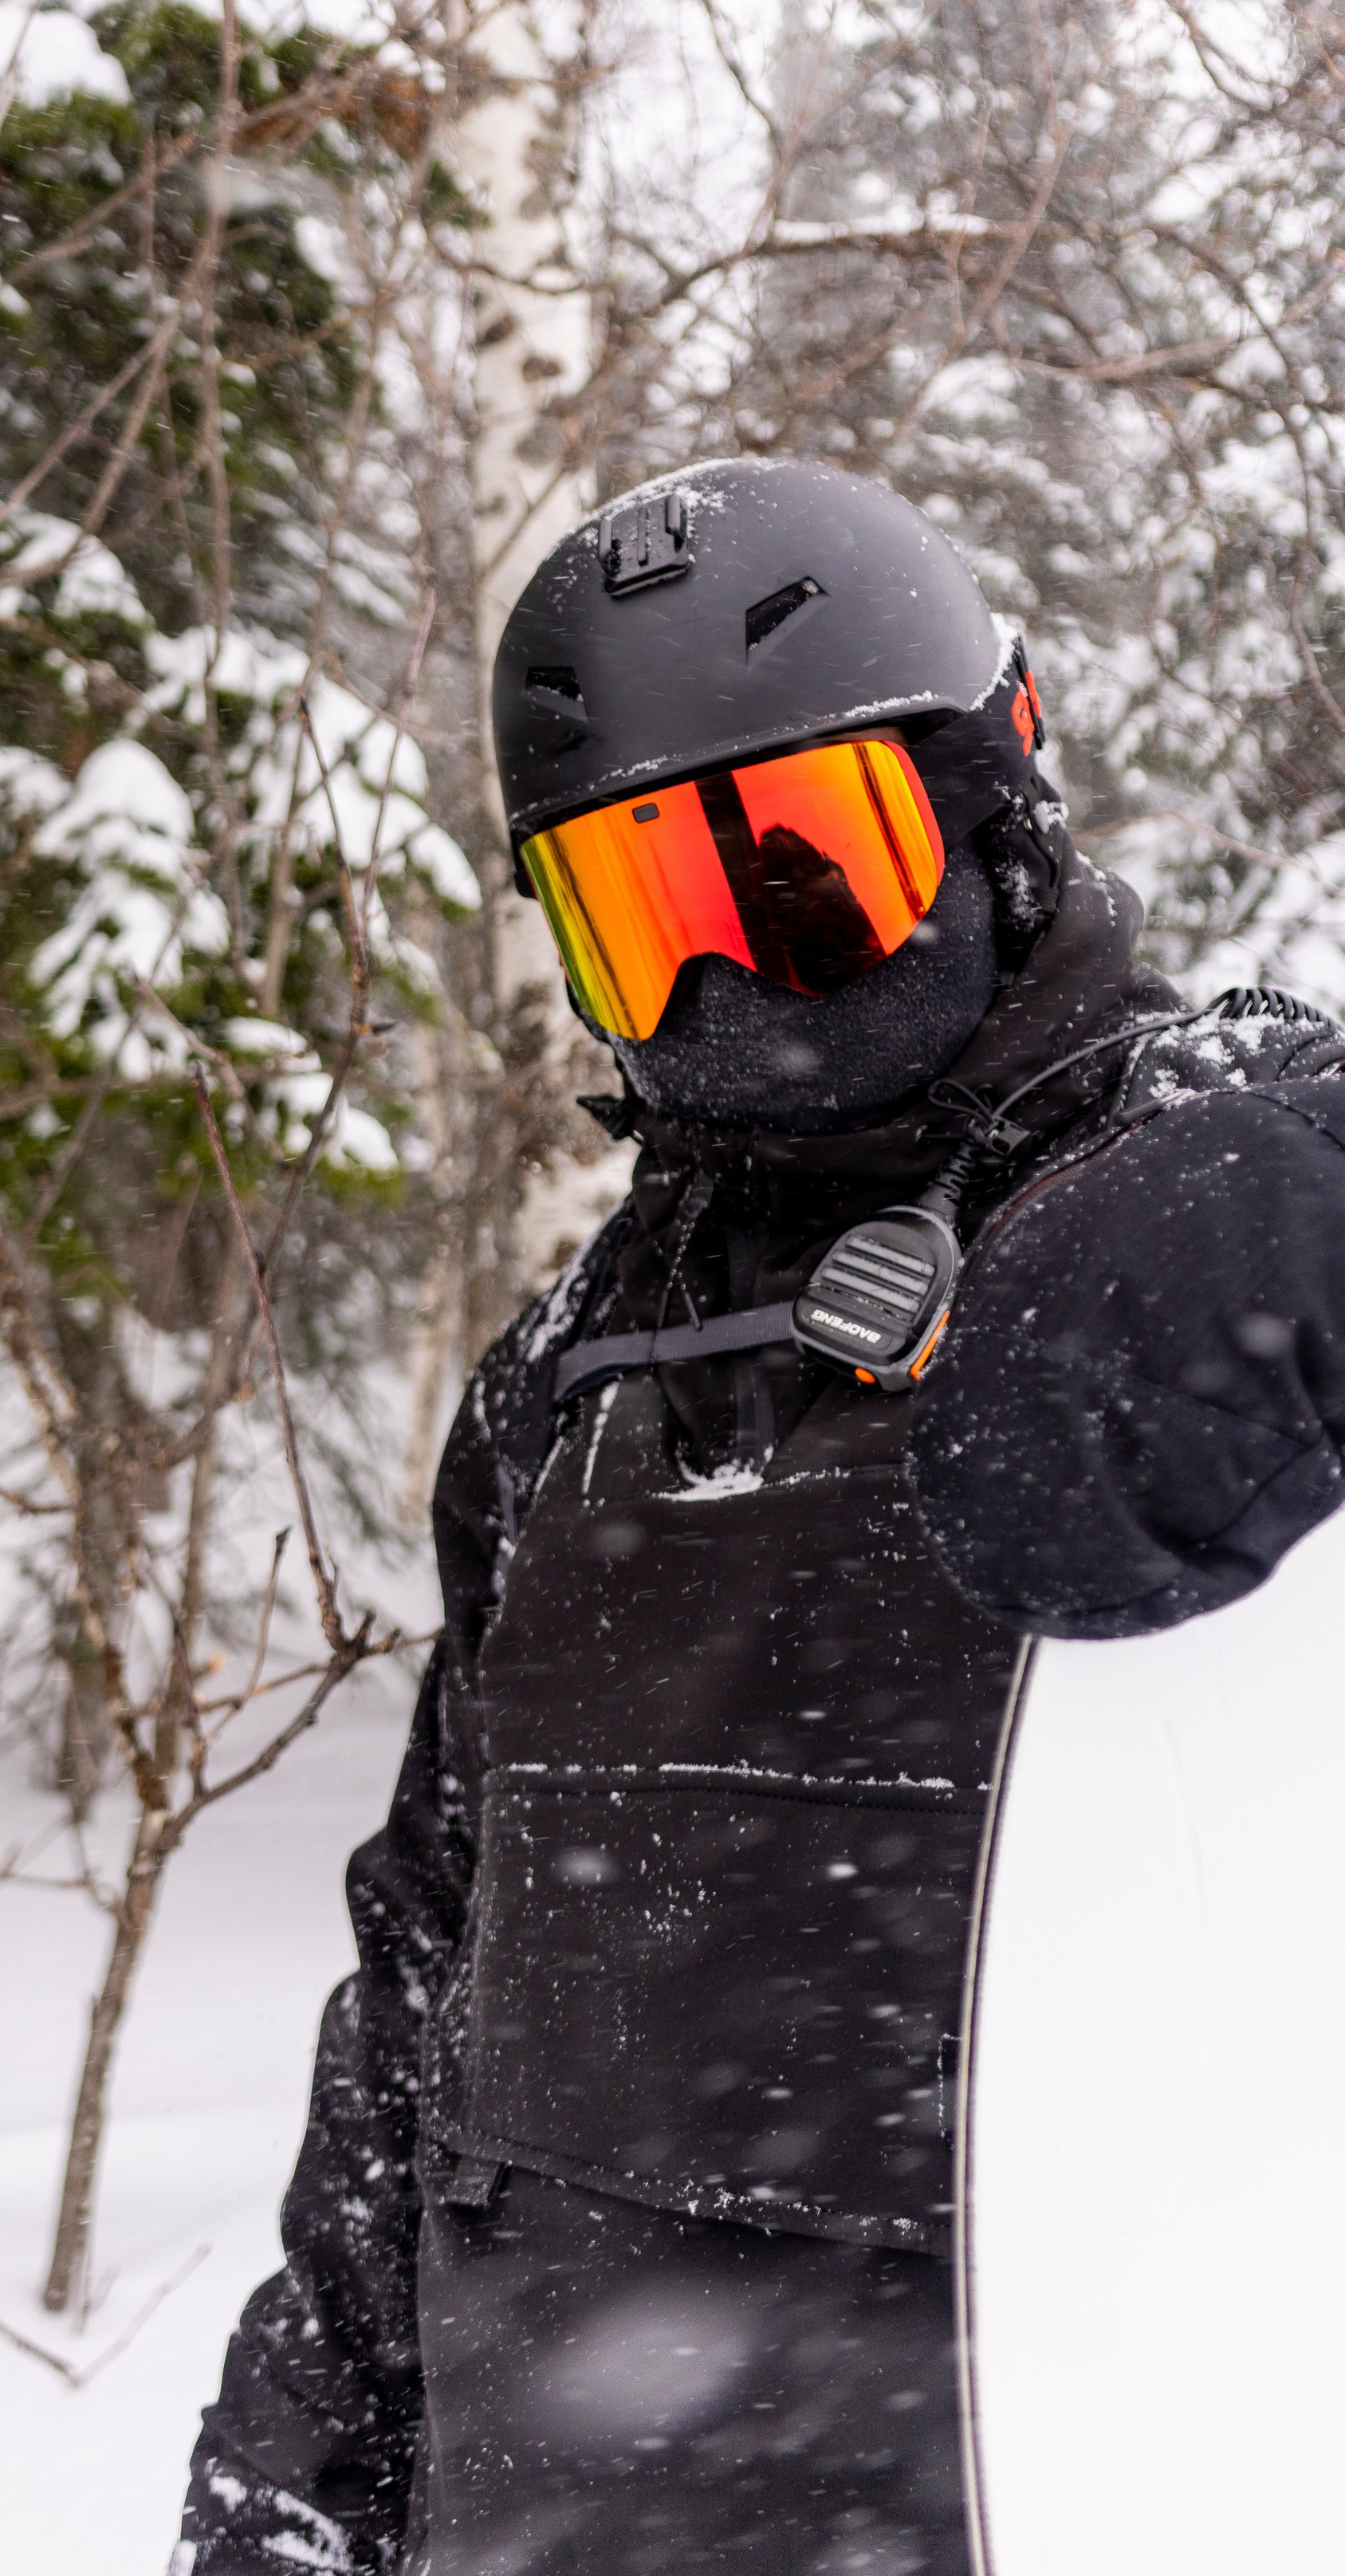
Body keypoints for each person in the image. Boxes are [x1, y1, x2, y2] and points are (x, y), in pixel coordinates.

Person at [171, 458, 1345, 2576]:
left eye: (804, 871)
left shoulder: (1192, 1194)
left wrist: (1302, 1185)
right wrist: (296, 2484)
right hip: (550, 2505)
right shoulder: (567, 1379)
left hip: (1018, 2479)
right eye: (647, 917)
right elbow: (426, 1988)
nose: (739, 981)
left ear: (994, 795)